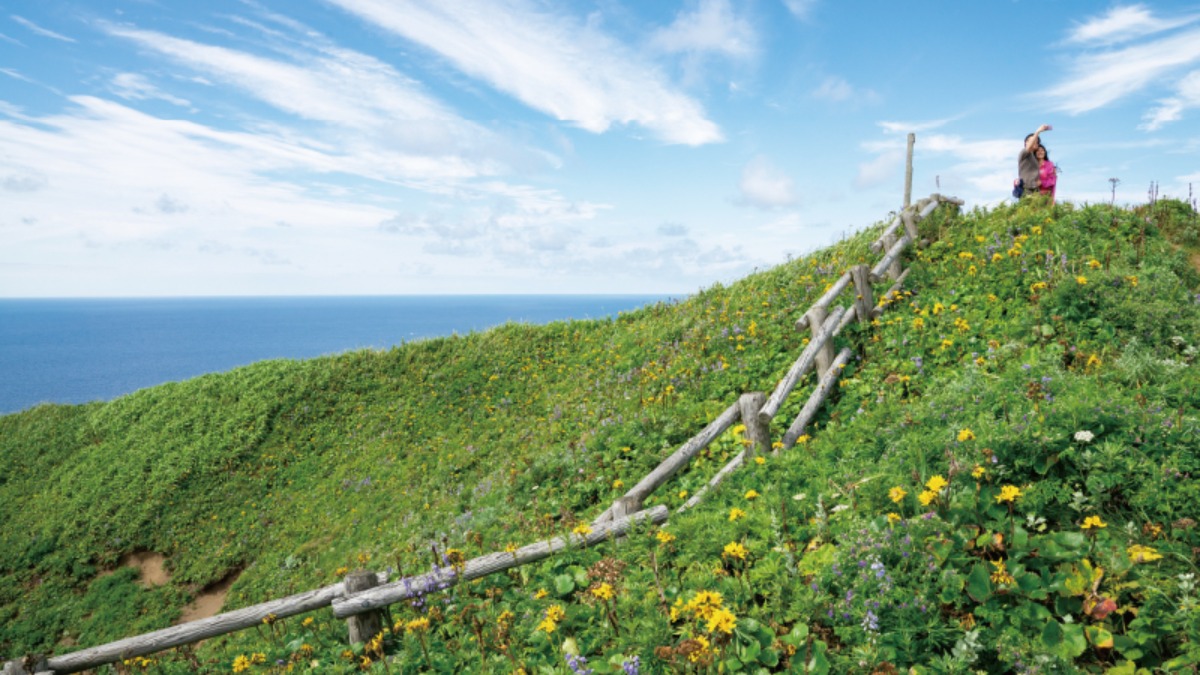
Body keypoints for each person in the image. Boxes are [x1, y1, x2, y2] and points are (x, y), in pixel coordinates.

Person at [1015, 123, 1051, 198]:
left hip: (1034, 190)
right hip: (1026, 190)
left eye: (1037, 142)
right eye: (1033, 140)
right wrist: (1037, 132)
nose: (1035, 142)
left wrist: (1040, 182)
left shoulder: (1033, 156)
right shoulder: (1024, 153)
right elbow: (1029, 147)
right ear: (1026, 143)